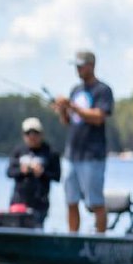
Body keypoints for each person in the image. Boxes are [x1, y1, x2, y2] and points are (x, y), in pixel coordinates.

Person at [52, 50, 114, 233]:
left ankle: (100, 239)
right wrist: (63, 109)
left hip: (92, 155)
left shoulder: (102, 90)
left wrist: (72, 106)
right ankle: (73, 238)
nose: (77, 69)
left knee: (95, 202)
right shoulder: (75, 90)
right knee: (71, 200)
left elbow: (98, 117)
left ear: (91, 65)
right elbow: (67, 122)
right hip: (71, 155)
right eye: (76, 66)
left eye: (80, 66)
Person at [6, 117, 61, 227]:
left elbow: (57, 176)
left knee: (36, 227)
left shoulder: (51, 152)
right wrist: (22, 171)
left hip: (40, 202)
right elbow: (9, 172)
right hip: (18, 201)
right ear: (24, 135)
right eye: (28, 133)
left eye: (35, 132)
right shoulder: (18, 151)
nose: (32, 136)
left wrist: (42, 172)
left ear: (41, 134)